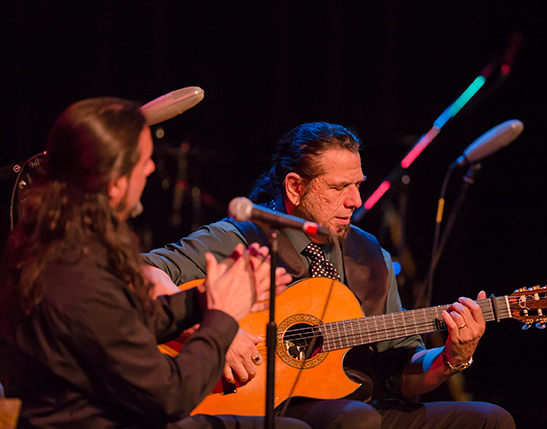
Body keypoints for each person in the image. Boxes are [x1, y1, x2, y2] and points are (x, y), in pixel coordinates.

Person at [144, 122, 516, 428]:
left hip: (358, 403)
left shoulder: (372, 256)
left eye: (358, 184)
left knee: (489, 420)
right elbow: (140, 271)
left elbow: (399, 370)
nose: (356, 200)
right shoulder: (240, 236)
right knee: (356, 420)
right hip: (268, 407)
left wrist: (452, 357)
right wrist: (216, 331)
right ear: (294, 187)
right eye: (340, 187)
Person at [0, 97, 310, 429]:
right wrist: (221, 318)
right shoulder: (77, 275)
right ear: (116, 182)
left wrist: (203, 298)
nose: (150, 169)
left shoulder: (63, 241)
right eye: (145, 160)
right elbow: (172, 396)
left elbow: (125, 321)